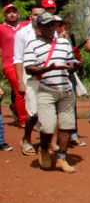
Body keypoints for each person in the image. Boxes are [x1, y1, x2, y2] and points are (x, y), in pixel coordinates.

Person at [23, 13, 79, 171]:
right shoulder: (32, 45)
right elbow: (28, 67)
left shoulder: (63, 43)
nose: (50, 28)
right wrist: (48, 68)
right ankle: (44, 148)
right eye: (46, 25)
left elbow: (70, 61)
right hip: (45, 89)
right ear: (38, 27)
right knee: (47, 127)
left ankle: (62, 157)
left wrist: (74, 66)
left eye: (52, 24)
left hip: (65, 88)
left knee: (67, 125)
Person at [14, 3, 44, 155]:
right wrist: (20, 81)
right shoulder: (22, 34)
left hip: (48, 75)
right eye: (34, 14)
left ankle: (50, 143)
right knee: (33, 113)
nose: (38, 17)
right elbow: (18, 58)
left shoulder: (52, 32)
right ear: (29, 17)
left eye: (41, 14)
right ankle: (26, 139)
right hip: (30, 75)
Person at [0, 3, 27, 127]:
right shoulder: (1, 28)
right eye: (9, 12)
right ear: (5, 15)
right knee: (20, 91)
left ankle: (17, 109)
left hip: (26, 62)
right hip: (10, 64)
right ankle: (23, 120)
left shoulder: (25, 26)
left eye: (14, 12)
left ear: (18, 14)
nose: (12, 14)